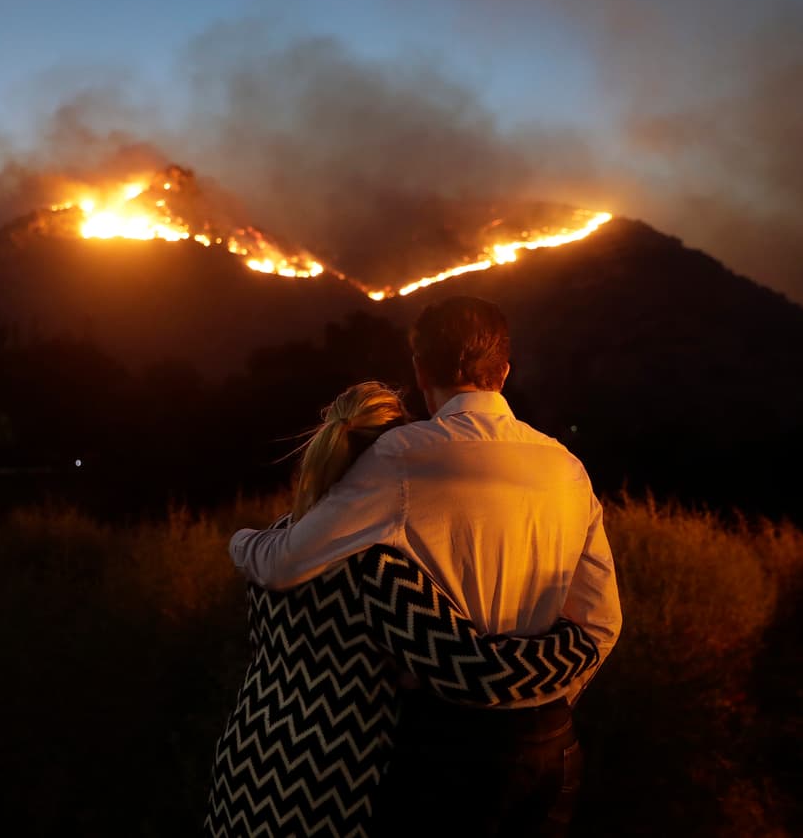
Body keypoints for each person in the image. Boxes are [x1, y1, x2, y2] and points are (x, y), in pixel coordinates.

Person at [230, 297, 622, 835]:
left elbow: (286, 564)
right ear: (504, 371)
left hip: (448, 745)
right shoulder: (567, 468)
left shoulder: (403, 456)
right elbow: (601, 622)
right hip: (554, 745)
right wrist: (541, 698)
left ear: (420, 371)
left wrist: (240, 542)